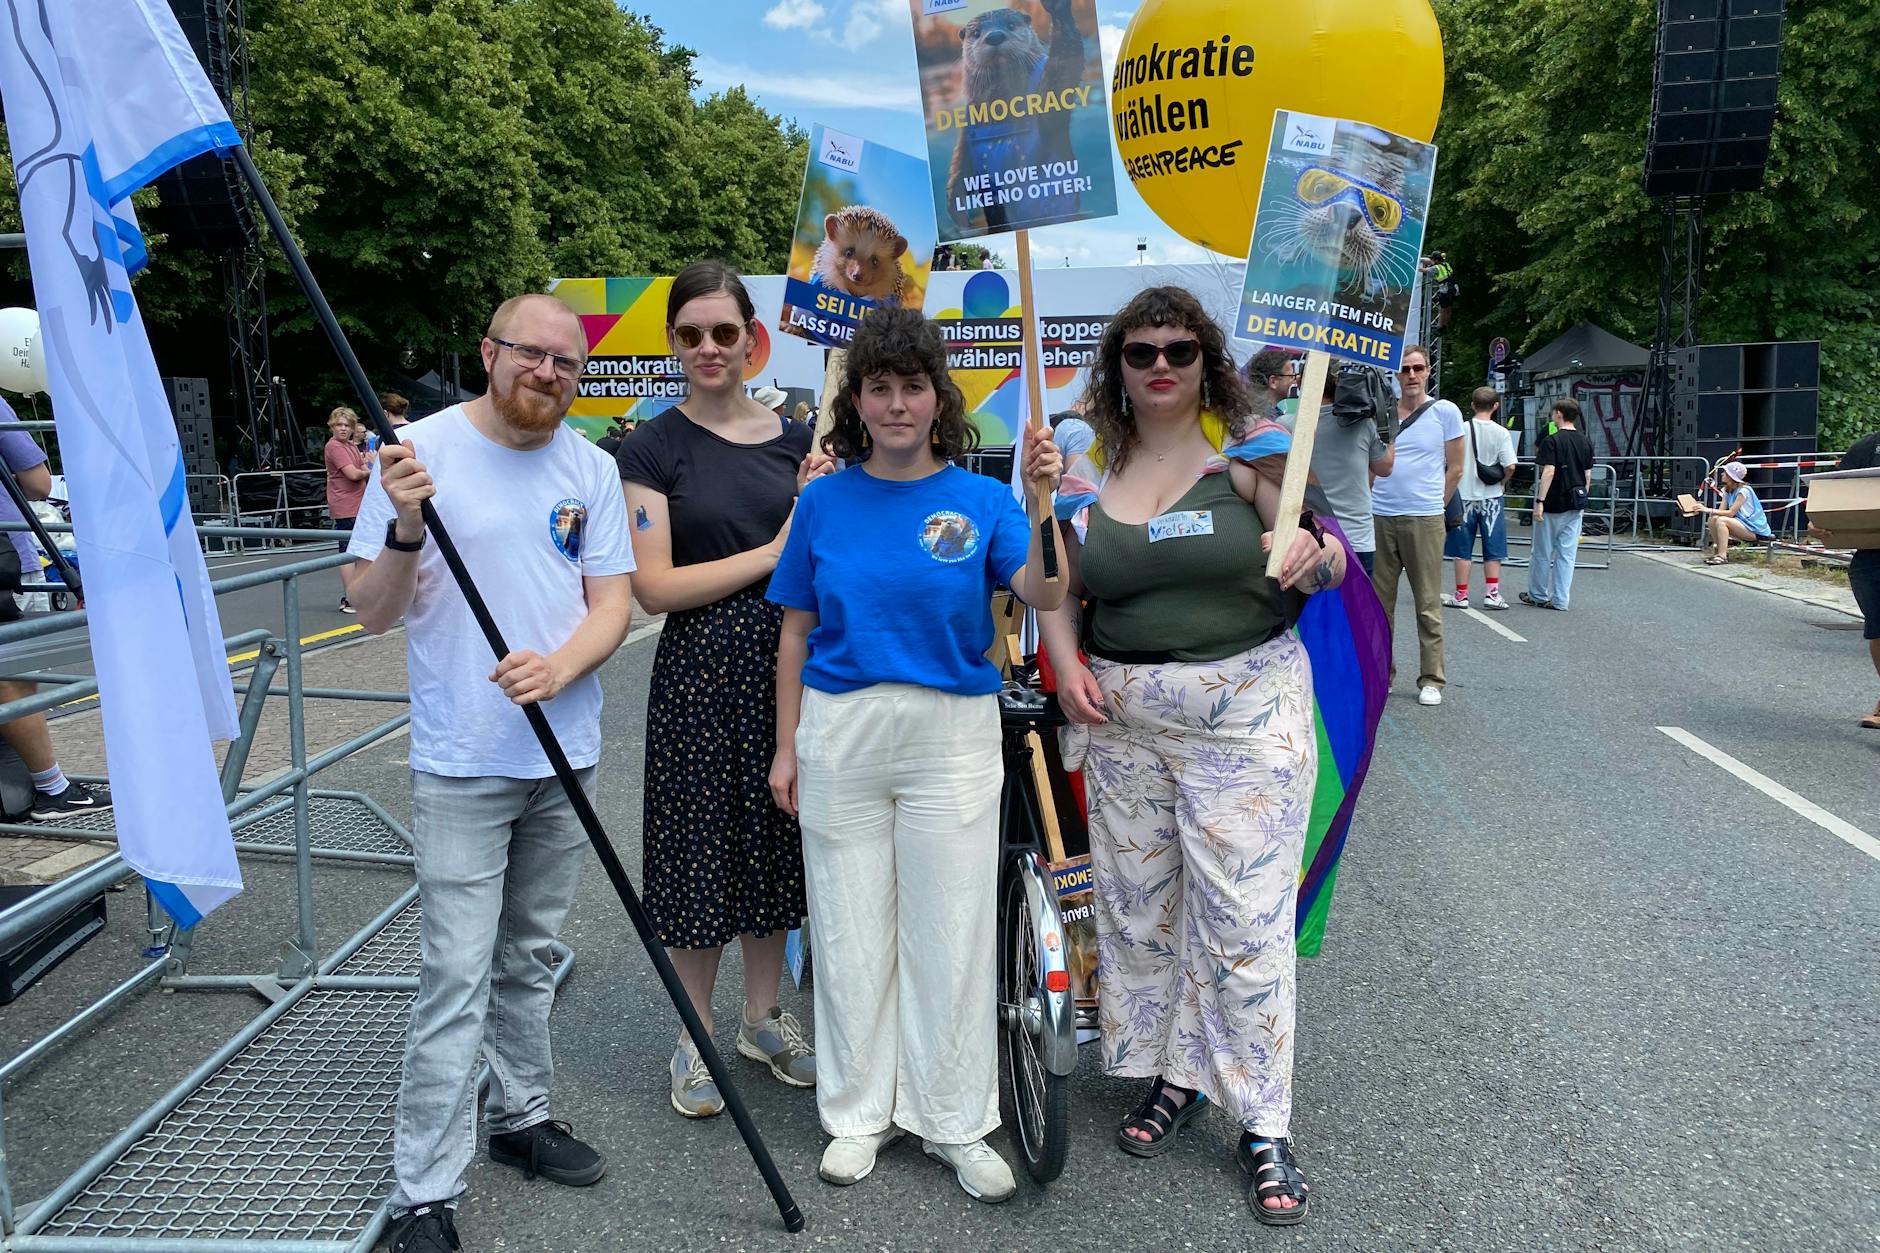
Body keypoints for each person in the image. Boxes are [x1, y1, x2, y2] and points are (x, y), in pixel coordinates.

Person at [1041, 286, 1344, 1228]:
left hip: (1246, 717)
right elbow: (1054, 586)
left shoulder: (1252, 451)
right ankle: (1177, 1075)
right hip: (1127, 726)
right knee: (1144, 914)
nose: (1160, 364)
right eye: (1140, 351)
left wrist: (1310, 550)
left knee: (1244, 920)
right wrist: (1059, 660)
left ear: (1205, 357)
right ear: (1117, 366)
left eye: (1178, 348)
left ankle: (1263, 1118)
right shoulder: (1083, 461)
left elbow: (1330, 554)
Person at [346, 293, 635, 1253]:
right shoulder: (415, 456)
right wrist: (403, 528)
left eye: (568, 363)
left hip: (563, 753)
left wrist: (559, 668)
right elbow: (371, 613)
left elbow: (611, 607)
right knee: (455, 975)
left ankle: (519, 1116)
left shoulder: (591, 468)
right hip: (463, 759)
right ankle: (424, 1189)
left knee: (531, 956)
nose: (549, 374)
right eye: (531, 355)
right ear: (489, 351)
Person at [766, 307, 1064, 1203]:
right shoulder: (821, 500)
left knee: (951, 928)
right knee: (849, 928)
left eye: (913, 386)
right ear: (858, 400)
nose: (897, 403)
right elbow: (794, 629)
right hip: (840, 725)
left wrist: (1045, 502)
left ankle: (955, 1118)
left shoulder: (984, 500)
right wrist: (786, 747)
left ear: (940, 398)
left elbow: (1045, 590)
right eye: (879, 387)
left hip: (950, 730)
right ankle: (858, 1112)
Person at [618, 261, 828, 1120]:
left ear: (754, 339)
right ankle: (695, 1032)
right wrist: (777, 550)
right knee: (698, 851)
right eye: (692, 334)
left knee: (777, 846)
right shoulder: (652, 446)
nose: (709, 348)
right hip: (700, 669)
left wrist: (824, 504)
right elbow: (655, 587)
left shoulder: (798, 441)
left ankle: (762, 1016)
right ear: (673, 343)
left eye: (725, 332)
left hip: (791, 662)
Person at [0, 399, 105, 820]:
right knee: (13, 676)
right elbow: (39, 484)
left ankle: (21, 793)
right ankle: (53, 788)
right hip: (6, 558)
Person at [1370, 345, 1463, 705]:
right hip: (1381, 514)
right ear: (1396, 375)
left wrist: (1434, 506)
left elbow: (1455, 467)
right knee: (1379, 606)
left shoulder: (1445, 412)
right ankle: (1381, 673)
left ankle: (1432, 679)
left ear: (1428, 371)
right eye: (1405, 369)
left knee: (1427, 603)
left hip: (1424, 517)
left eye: (1418, 368)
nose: (1411, 375)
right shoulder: (1383, 413)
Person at [1279, 357, 1394, 576]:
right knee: (1353, 610)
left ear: (1303, 382)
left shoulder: (1285, 426)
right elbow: (1385, 468)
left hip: (1306, 537)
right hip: (1356, 537)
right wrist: (1388, 428)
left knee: (1309, 609)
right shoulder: (1362, 425)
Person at [1810, 430, 1880, 728]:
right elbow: (1833, 494)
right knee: (1878, 631)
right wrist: (1817, 521)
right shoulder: (1869, 447)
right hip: (1873, 556)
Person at [1442, 387, 1518, 610]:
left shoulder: (1461, 430)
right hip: (1491, 497)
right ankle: (1492, 594)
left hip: (1463, 495)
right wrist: (1502, 482)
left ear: (1473, 405)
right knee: (1493, 547)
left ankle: (1461, 594)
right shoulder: (1501, 432)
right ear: (1496, 406)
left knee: (1462, 549)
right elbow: (1510, 465)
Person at [1520, 398, 1596, 609]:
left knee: (1542, 551)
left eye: (1553, 412)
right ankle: (1561, 599)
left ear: (1559, 414)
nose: (1552, 416)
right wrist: (1583, 500)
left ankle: (1538, 594)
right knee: (1567, 554)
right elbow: (1588, 474)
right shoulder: (1585, 441)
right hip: (1576, 502)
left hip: (1553, 502)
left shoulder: (1551, 441)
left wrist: (1540, 501)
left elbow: (1549, 471)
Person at [322, 407, 370, 614]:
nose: (342, 429)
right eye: (339, 425)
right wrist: (370, 469)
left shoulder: (349, 445)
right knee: (349, 551)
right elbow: (353, 473)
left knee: (361, 551)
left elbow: (361, 467)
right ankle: (350, 598)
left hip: (357, 502)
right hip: (346, 504)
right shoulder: (335, 447)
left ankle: (359, 595)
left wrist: (366, 468)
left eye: (346, 425)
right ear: (332, 426)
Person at [1694, 459, 1775, 566]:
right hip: (1744, 526)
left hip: (1756, 530)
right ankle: (1719, 552)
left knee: (1721, 521)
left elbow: (1731, 513)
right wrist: (1705, 511)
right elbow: (1722, 511)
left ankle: (1722, 556)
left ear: (1731, 476)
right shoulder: (1727, 490)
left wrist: (1707, 509)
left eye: (1725, 472)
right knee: (1713, 519)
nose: (1722, 474)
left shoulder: (1744, 491)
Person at [1245, 347, 1299, 421]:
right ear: (1273, 382)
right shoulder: (1268, 419)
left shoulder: (1249, 407)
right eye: (1291, 376)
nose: (1294, 381)